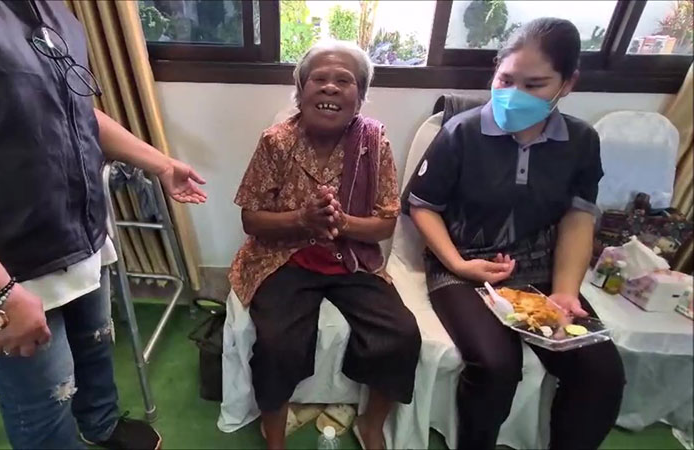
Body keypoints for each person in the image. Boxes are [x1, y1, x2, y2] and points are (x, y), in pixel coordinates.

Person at [0, 1, 205, 449]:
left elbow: (73, 109)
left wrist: (162, 164)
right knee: (45, 397)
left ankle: (100, 425)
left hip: (73, 229)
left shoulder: (52, 10)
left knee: (95, 347)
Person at [403, 18, 625, 450]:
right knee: (495, 365)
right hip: (463, 269)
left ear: (568, 84)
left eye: (534, 85)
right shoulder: (461, 132)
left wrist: (566, 291)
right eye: (505, 80)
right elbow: (422, 206)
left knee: (601, 373)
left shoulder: (581, 141)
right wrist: (458, 263)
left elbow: (578, 217)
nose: (513, 94)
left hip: (538, 271)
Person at [229, 40, 421, 450]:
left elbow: (385, 223)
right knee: (278, 343)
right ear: (300, 91)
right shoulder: (277, 141)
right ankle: (274, 433)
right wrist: (302, 219)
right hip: (284, 259)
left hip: (351, 259)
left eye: (344, 81)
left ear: (360, 97)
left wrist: (342, 223)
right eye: (318, 79)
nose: (330, 87)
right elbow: (251, 219)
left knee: (402, 335)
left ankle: (371, 425)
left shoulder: (373, 143)